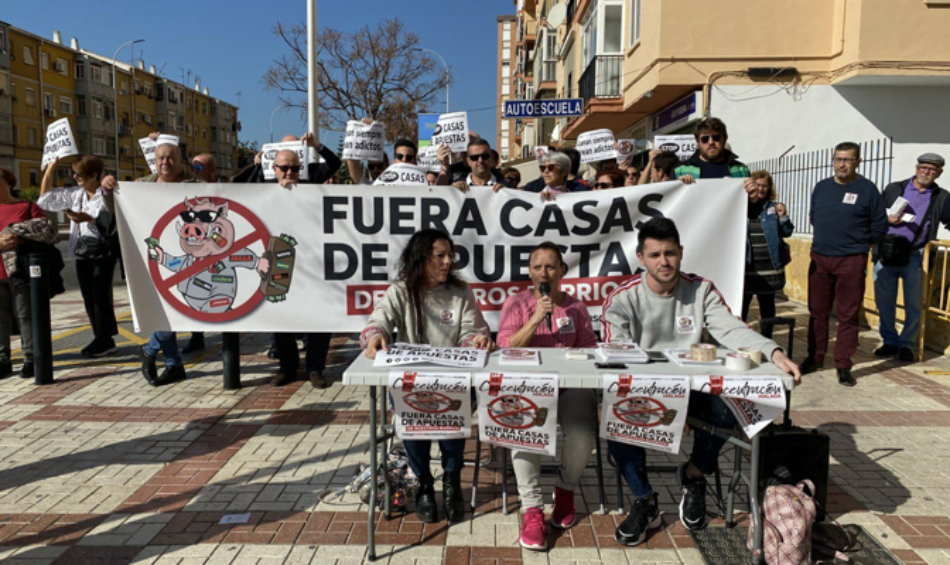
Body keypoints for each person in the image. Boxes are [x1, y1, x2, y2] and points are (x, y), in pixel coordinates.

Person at [601, 218, 800, 546]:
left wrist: (773, 351)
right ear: (641, 258)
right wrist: (665, 400)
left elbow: (731, 329)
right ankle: (645, 500)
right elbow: (617, 352)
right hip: (646, 390)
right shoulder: (621, 297)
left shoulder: (700, 288)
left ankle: (693, 476)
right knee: (616, 417)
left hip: (694, 388)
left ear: (681, 252)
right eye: (654, 255)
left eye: (670, 253)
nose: (663, 261)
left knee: (730, 410)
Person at [361, 229, 493, 523]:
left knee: (452, 427)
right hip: (414, 383)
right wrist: (375, 337)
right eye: (441, 256)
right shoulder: (401, 291)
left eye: (450, 256)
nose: (448, 262)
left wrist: (476, 341)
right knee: (413, 422)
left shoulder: (460, 292)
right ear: (421, 258)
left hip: (453, 383)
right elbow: (379, 320)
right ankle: (423, 484)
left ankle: (451, 481)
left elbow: (473, 330)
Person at [496, 242, 598, 550]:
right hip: (528, 387)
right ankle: (532, 509)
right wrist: (536, 318)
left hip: (569, 388)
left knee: (583, 435)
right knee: (522, 430)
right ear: (530, 272)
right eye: (538, 266)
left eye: (551, 266)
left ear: (562, 271)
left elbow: (591, 351)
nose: (544, 272)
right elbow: (505, 346)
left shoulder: (576, 308)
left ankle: (565, 489)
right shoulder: (515, 304)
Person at [102, 141, 202, 386]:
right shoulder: (140, 186)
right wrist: (106, 190)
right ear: (154, 162)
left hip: (187, 260)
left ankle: (150, 349)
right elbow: (113, 209)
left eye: (170, 158)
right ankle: (173, 364)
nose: (165, 162)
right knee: (161, 311)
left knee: (177, 309)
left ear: (180, 162)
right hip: (152, 258)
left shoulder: (198, 186)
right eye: (160, 158)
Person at [803, 142, 887, 386]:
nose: (841, 164)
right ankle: (815, 358)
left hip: (851, 259)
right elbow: (813, 217)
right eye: (838, 159)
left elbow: (880, 225)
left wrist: (860, 245)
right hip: (820, 258)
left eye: (847, 160)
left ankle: (843, 365)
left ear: (857, 162)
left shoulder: (868, 189)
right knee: (817, 312)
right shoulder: (821, 187)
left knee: (848, 315)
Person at [40, 155, 119, 358]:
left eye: (80, 174)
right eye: (74, 173)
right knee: (88, 297)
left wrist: (89, 219)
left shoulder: (108, 195)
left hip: (102, 251)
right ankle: (100, 336)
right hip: (82, 251)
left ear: (94, 175)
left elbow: (113, 224)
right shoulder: (77, 194)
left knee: (100, 297)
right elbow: (45, 198)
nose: (75, 177)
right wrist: (51, 168)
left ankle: (106, 339)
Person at [875, 153, 950, 362]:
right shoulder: (894, 189)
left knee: (914, 302)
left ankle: (907, 344)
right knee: (884, 301)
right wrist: (886, 219)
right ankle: (889, 341)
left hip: (917, 254)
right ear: (917, 167)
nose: (926, 172)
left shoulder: (942, 196)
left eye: (932, 169)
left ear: (939, 173)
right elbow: (875, 214)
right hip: (886, 252)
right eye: (924, 167)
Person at [269, 149, 332, 389]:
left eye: (294, 168)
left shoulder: (314, 189)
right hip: (280, 261)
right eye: (284, 168)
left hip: (313, 263)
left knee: (318, 318)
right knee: (281, 317)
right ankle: (288, 367)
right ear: (274, 169)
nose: (289, 173)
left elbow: (334, 164)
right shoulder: (260, 191)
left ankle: (315, 367)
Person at [0, 167, 55, 378]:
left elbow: (47, 232)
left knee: (25, 316)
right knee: (0, 319)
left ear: (7, 181)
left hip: (20, 271)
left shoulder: (27, 206)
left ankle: (30, 359)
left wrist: (20, 238)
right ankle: (3, 360)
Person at [178, 152, 224, 355]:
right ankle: (197, 336)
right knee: (196, 291)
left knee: (223, 290)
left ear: (212, 169)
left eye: (198, 168)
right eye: (192, 167)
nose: (193, 172)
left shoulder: (228, 188)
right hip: (198, 250)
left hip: (221, 249)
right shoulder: (188, 191)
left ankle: (230, 336)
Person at [742, 171, 794, 336]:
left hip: (770, 269)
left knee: (768, 310)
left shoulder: (774, 207)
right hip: (747, 269)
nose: (762, 189)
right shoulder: (741, 207)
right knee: (741, 311)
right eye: (758, 185)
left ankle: (766, 341)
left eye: (765, 185)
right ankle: (740, 340)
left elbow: (786, 232)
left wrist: (783, 217)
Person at [674, 118, 750, 183]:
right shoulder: (680, 171)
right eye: (705, 139)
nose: (711, 142)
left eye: (716, 137)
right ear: (698, 142)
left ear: (725, 139)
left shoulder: (742, 170)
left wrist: (754, 198)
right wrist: (678, 186)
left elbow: (750, 199)